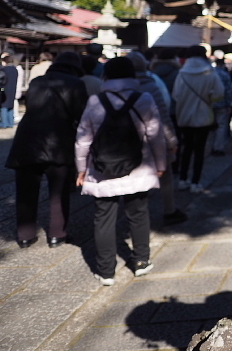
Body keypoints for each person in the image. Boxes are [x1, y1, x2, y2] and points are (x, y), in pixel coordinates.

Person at [75, 56, 166, 285]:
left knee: (103, 218)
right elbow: (156, 135)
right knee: (138, 214)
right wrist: (161, 164)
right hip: (138, 167)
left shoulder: (96, 101)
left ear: (106, 75)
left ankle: (106, 271)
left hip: (102, 169)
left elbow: (83, 140)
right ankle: (141, 261)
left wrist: (81, 169)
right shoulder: (143, 98)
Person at [5, 52, 88, 247]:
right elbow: (82, 115)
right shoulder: (76, 84)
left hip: (27, 139)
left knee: (25, 192)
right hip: (58, 141)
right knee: (58, 192)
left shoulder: (37, 82)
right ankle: (57, 234)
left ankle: (25, 236)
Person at [127, 51, 186, 226]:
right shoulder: (151, 85)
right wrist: (172, 140)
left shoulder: (114, 87)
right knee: (165, 175)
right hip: (153, 139)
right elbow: (163, 115)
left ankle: (135, 214)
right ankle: (169, 210)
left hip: (127, 139)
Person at [172, 45, 223, 192]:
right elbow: (219, 93)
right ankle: (195, 182)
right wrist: (209, 99)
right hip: (204, 115)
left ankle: (182, 179)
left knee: (186, 147)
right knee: (200, 150)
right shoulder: (210, 72)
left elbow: (176, 95)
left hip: (184, 115)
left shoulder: (182, 73)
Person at [211, 50, 232, 156]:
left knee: (211, 126)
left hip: (209, 103)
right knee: (221, 125)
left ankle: (211, 146)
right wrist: (229, 104)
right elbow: (228, 90)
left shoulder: (209, 74)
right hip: (222, 103)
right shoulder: (225, 75)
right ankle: (218, 147)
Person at [0, 54, 17, 128]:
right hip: (13, 90)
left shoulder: (4, 70)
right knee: (10, 106)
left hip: (4, 90)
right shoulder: (15, 69)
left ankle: (4, 123)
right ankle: (10, 122)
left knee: (4, 106)